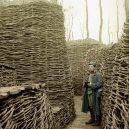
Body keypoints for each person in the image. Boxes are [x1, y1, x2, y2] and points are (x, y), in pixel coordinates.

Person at [82, 62, 103, 126]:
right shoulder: (88, 75)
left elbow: (100, 83)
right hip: (88, 92)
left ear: (94, 67)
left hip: (94, 93)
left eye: (91, 66)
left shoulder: (98, 74)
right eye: (89, 67)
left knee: (95, 106)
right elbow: (85, 83)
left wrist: (91, 85)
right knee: (90, 106)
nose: (90, 68)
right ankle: (92, 118)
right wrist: (85, 84)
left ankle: (98, 120)